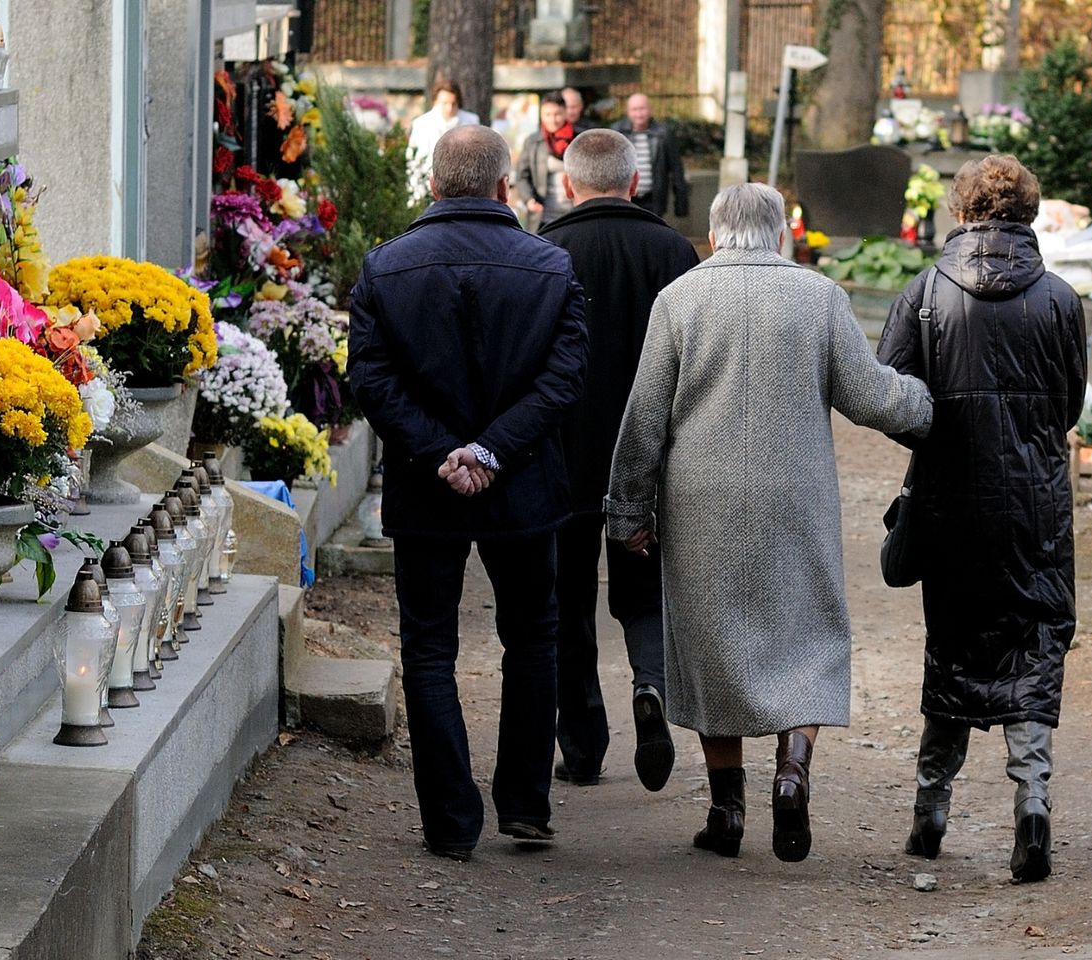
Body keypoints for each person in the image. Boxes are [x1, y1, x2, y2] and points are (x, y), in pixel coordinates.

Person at [605, 182, 932, 863]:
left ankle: (727, 810)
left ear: (717, 236)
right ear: (780, 233)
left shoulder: (680, 300)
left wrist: (629, 512)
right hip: (796, 496)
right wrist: (929, 405)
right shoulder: (819, 298)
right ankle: (793, 770)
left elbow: (643, 422)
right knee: (807, 634)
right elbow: (872, 397)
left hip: (701, 501)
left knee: (707, 644)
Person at [348, 125, 588, 863]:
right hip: (520, 484)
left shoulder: (386, 267)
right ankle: (523, 803)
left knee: (429, 648)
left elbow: (372, 380)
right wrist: (491, 450)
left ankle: (452, 821)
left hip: (430, 487)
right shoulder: (550, 266)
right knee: (533, 638)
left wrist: (443, 451)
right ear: (502, 187)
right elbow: (564, 377)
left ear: (432, 185)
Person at [877, 154, 1086, 883]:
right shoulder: (1060, 298)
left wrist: (939, 437)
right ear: (1026, 214)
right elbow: (1071, 406)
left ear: (962, 212)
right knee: (1033, 644)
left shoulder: (924, 293)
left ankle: (930, 813)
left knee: (955, 649)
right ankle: (1032, 807)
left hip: (950, 501)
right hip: (1036, 507)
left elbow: (895, 403)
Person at [539, 129, 699, 791]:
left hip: (565, 456)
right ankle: (651, 687)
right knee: (644, 591)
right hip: (652, 456)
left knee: (566, 598)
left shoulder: (546, 251)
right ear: (634, 181)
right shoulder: (673, 250)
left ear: (570, 184)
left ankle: (581, 744)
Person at [610, 93, 689, 220]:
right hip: (626, 198)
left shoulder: (664, 133)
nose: (639, 114)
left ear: (650, 110)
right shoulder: (617, 132)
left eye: (642, 108)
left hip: (654, 199)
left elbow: (676, 169)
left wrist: (681, 204)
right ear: (627, 112)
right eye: (634, 109)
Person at [406, 79, 479, 203]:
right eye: (444, 103)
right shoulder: (421, 124)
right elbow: (413, 161)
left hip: (464, 193)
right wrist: (416, 196)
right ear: (435, 102)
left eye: (453, 103)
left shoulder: (471, 122)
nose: (449, 108)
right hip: (428, 191)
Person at [515, 92, 575, 232]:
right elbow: (522, 176)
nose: (553, 120)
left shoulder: (578, 139)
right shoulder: (533, 141)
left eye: (557, 114)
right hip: (542, 217)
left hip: (573, 215)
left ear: (566, 112)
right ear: (541, 115)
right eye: (547, 114)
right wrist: (529, 199)